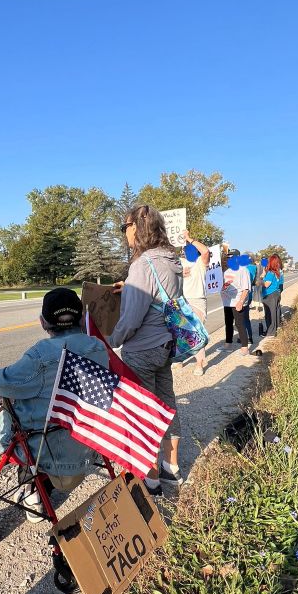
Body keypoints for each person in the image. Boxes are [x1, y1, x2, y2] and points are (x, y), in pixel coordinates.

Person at [0, 288, 108, 546]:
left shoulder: (41, 355)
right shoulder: (97, 348)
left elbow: (1, 382)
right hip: (84, 444)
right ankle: (32, 496)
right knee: (34, 417)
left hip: (44, 450)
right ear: (82, 315)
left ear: (43, 321)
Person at [109, 204, 184, 493]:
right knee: (167, 404)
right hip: (166, 344)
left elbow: (132, 319)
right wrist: (129, 287)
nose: (124, 232)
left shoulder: (142, 265)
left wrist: (113, 340)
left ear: (137, 228)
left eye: (124, 227)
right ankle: (172, 468)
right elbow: (158, 297)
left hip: (141, 349)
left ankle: (150, 479)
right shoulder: (170, 260)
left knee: (143, 413)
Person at [181, 229, 210, 376]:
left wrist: (188, 238)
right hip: (182, 301)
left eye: (191, 249)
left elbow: (205, 251)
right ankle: (180, 359)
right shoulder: (180, 263)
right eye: (186, 250)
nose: (187, 252)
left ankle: (199, 363)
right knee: (181, 332)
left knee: (196, 333)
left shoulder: (200, 263)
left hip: (198, 301)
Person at [221, 252, 251, 352]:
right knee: (228, 323)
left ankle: (244, 346)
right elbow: (224, 285)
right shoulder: (226, 271)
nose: (229, 259)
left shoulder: (243, 270)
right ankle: (228, 343)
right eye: (228, 257)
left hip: (237, 301)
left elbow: (246, 288)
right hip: (227, 302)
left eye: (231, 257)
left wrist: (241, 302)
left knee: (239, 324)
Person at [262, 253, 284, 336]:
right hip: (276, 293)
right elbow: (280, 283)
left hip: (270, 294)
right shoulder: (278, 272)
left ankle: (271, 332)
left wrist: (260, 281)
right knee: (275, 312)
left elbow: (266, 284)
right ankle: (276, 328)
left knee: (270, 314)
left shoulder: (271, 273)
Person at [239, 254, 258, 345]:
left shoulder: (243, 268)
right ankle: (249, 337)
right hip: (249, 294)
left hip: (241, 295)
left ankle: (243, 338)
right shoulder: (254, 268)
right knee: (246, 318)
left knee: (240, 319)